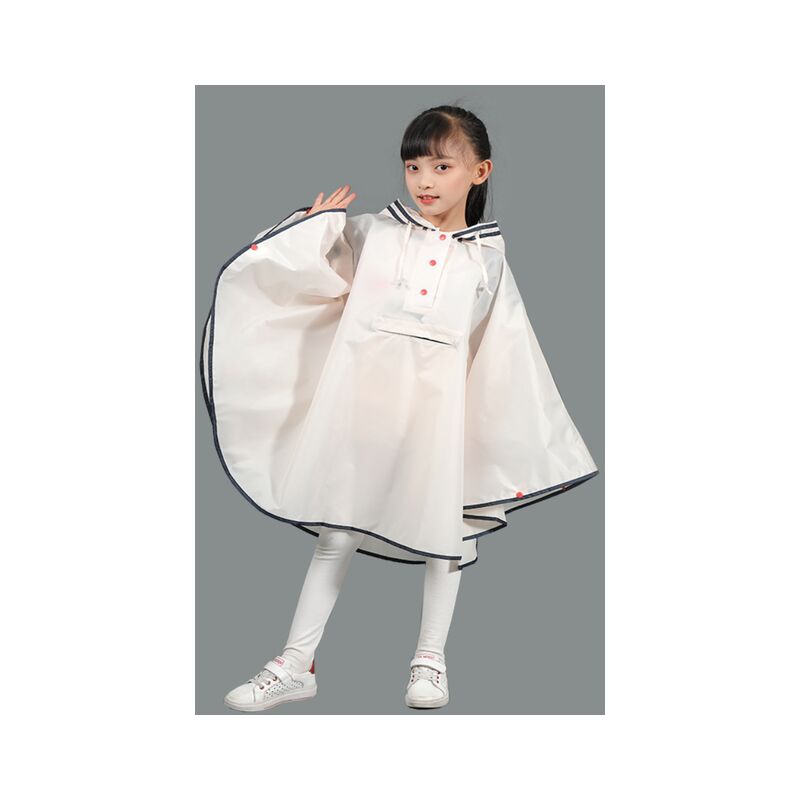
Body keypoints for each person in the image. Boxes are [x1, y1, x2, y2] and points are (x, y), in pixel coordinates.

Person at [200, 104, 599, 712]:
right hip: (359, 412)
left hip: (435, 421)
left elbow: (502, 354)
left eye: (442, 166)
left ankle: (429, 661)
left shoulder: (486, 260)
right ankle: (295, 665)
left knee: (443, 536)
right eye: (414, 166)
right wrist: (307, 230)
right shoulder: (373, 234)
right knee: (335, 532)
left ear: (480, 171)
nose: (424, 181)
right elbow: (305, 277)